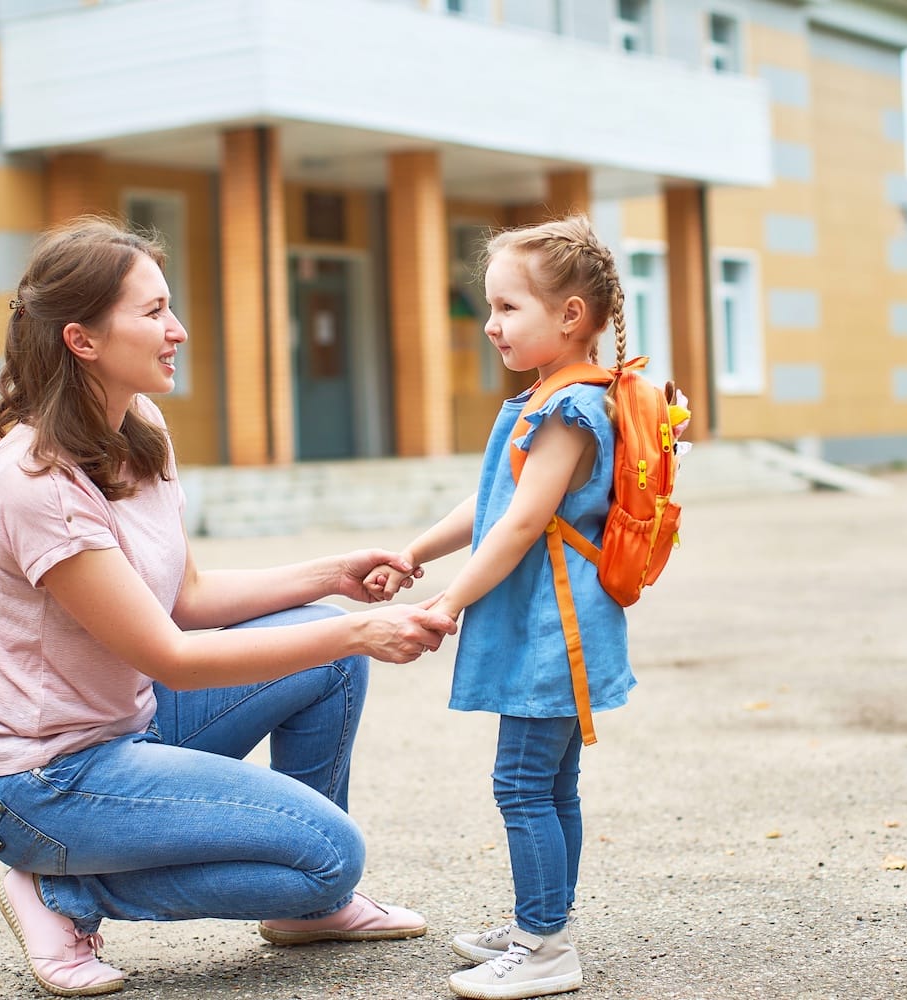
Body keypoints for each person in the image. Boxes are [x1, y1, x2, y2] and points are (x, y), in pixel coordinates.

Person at [0, 216, 457, 999]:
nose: (178, 330)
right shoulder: (39, 484)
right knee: (333, 856)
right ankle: (61, 892)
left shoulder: (138, 428)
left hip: (133, 728)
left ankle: (309, 908)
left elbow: (187, 600)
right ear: (82, 340)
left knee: (325, 659)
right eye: (153, 312)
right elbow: (173, 655)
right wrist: (359, 630)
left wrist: (332, 577)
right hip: (46, 786)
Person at [365, 215, 640, 999]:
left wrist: (448, 601)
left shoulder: (569, 409)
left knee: (523, 784)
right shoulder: (550, 397)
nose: (490, 324)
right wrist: (417, 553)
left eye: (507, 307)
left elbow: (522, 523)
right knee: (552, 786)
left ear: (570, 317)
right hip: (548, 625)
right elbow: (493, 504)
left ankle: (547, 946)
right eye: (489, 307)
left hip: (555, 631)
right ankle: (539, 921)